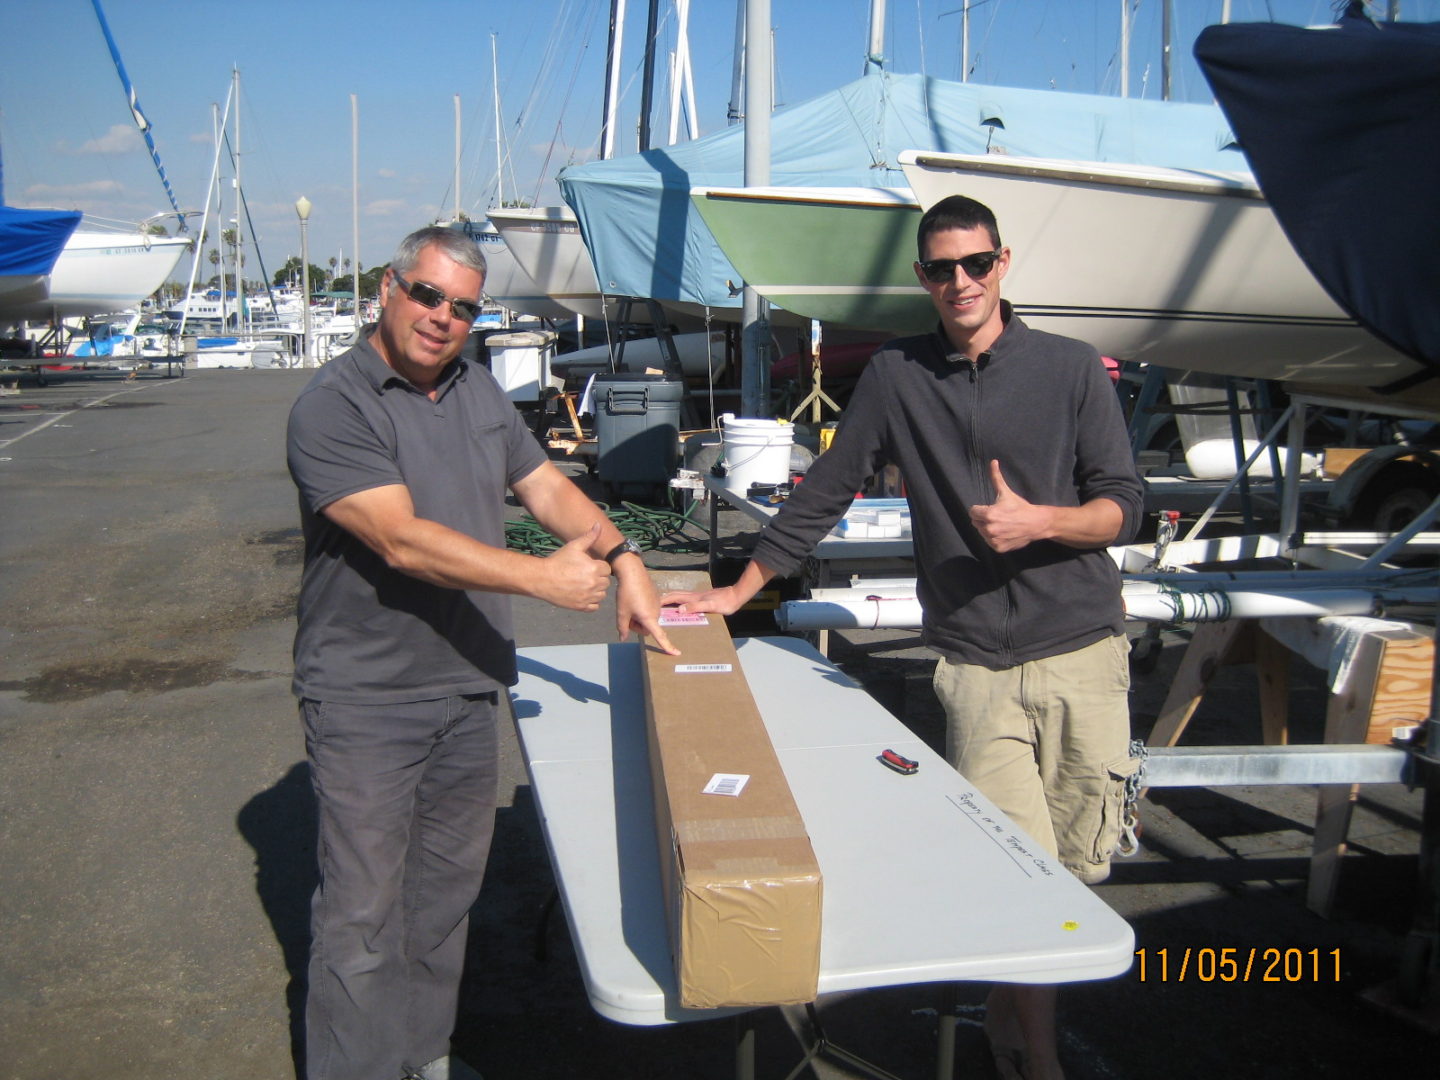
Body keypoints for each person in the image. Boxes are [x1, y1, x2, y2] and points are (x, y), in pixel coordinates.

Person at [662, 195, 1143, 1080]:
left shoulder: (1073, 370)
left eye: (975, 264)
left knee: (1080, 871)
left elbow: (1124, 505)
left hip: (1081, 648)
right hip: (976, 664)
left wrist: (1043, 521)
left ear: (1004, 264)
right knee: (1021, 874)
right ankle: (1038, 1057)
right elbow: (826, 489)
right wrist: (742, 588)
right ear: (922, 277)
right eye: (938, 268)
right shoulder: (895, 375)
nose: (958, 282)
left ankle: (1009, 1001)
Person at [286, 225, 678, 1080]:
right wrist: (541, 582)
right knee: (360, 917)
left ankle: (420, 1056)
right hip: (366, 698)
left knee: (440, 904)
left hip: (467, 686)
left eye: (462, 307)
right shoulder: (335, 402)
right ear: (387, 289)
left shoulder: (477, 392)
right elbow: (399, 539)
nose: (442, 318)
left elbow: (547, 488)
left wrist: (626, 559)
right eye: (427, 295)